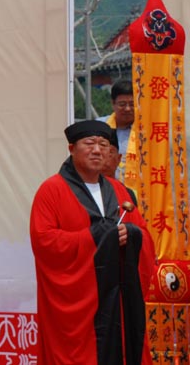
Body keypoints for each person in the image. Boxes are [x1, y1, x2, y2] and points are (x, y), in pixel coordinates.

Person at [29, 120, 154, 365]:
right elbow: (44, 242)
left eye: (103, 144)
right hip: (76, 304)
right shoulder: (51, 190)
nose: (97, 150)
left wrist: (130, 235)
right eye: (89, 143)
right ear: (71, 148)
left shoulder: (119, 191)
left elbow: (144, 236)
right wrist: (99, 237)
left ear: (110, 152)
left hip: (117, 299)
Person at [100, 80, 134, 180]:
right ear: (113, 104)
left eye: (132, 104)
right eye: (122, 104)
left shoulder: (145, 130)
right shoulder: (100, 127)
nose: (127, 109)